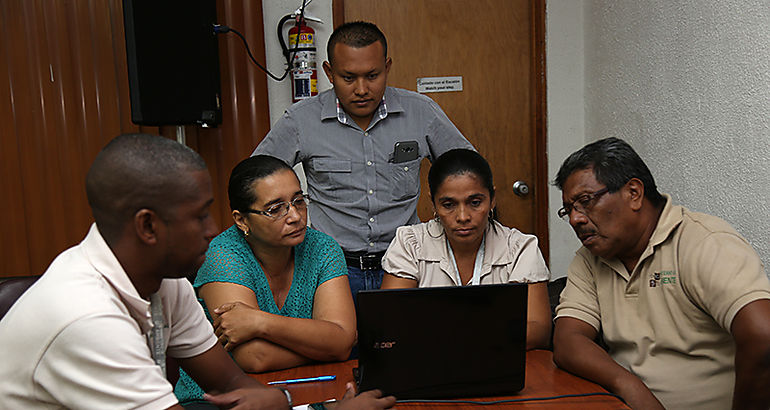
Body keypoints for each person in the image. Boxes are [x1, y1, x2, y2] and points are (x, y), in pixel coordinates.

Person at [0, 134, 395, 410]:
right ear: (148, 226)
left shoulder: (167, 281)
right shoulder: (87, 318)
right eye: (198, 216)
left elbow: (232, 385)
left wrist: (290, 402)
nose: (212, 230)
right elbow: (252, 371)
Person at [253, 21, 474, 302]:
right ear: (329, 73)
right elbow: (254, 182)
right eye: (348, 77)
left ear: (387, 67)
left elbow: (470, 172)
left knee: (407, 343)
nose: (361, 89)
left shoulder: (421, 112)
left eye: (372, 76)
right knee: (340, 344)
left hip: (406, 264)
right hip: (331, 268)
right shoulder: (301, 121)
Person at [552, 137, 770, 409]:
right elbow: (567, 340)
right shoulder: (591, 258)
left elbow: (763, 335)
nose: (575, 219)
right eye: (569, 209)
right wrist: (630, 386)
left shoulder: (702, 242)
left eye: (585, 201)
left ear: (634, 193)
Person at [174, 155, 357, 404]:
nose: (294, 216)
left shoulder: (322, 248)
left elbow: (342, 342)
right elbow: (254, 357)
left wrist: (259, 322)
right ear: (242, 220)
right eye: (275, 209)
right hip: (219, 399)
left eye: (298, 201)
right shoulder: (223, 254)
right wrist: (327, 347)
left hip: (309, 388)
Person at [380, 149, 552, 350]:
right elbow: (389, 324)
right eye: (448, 204)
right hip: (428, 365)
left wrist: (450, 337)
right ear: (433, 204)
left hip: (498, 364)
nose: (463, 216)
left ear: (492, 199)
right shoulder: (410, 243)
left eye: (475, 203)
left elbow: (538, 330)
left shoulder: (519, 248)